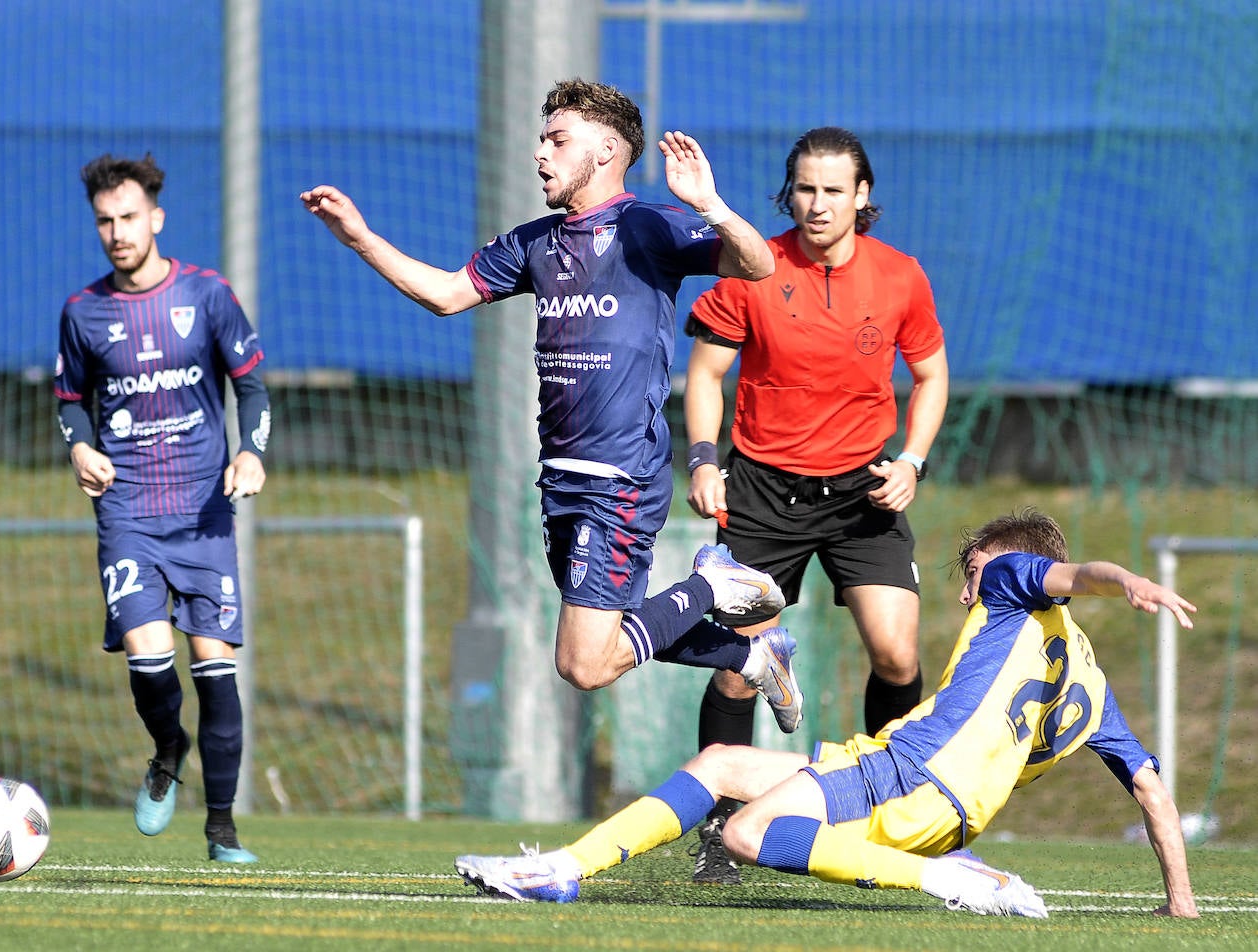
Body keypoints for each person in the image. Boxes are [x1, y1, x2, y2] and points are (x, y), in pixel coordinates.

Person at [301, 79, 803, 725]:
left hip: (620, 475)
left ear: (605, 151)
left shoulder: (646, 225)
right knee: (611, 635)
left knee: (583, 663)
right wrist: (360, 238)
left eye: (557, 140)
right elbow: (449, 295)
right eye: (541, 139)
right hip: (560, 478)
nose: (541, 153)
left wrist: (711, 205)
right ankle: (757, 658)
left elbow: (757, 264)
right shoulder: (535, 242)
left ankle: (714, 583)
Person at [455, 508, 1201, 920]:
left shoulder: (1014, 581)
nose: (967, 593)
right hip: (935, 796)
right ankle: (562, 868)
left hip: (913, 773)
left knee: (748, 833)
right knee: (719, 767)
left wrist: (1124, 579)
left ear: (1007, 568)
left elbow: (1079, 575)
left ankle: (950, 881)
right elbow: (1154, 794)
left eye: (971, 575)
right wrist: (1183, 906)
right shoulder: (1091, 685)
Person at [681, 126, 949, 881]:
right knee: (741, 668)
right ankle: (720, 829)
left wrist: (913, 464)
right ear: (787, 193)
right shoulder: (749, 268)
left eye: (834, 190)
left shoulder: (901, 276)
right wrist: (704, 463)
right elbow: (704, 377)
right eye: (805, 188)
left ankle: (890, 816)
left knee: (897, 654)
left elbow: (931, 377)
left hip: (863, 489)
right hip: (763, 492)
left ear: (862, 197)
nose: (818, 203)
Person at [54, 153, 271, 863]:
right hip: (128, 514)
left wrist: (252, 452)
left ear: (156, 218)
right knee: (150, 664)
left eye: (127, 218)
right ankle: (167, 747)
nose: (116, 232)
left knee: (214, 667)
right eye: (104, 222)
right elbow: (68, 403)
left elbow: (254, 389)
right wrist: (80, 447)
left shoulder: (207, 295)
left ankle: (221, 829)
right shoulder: (83, 312)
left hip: (204, 514)